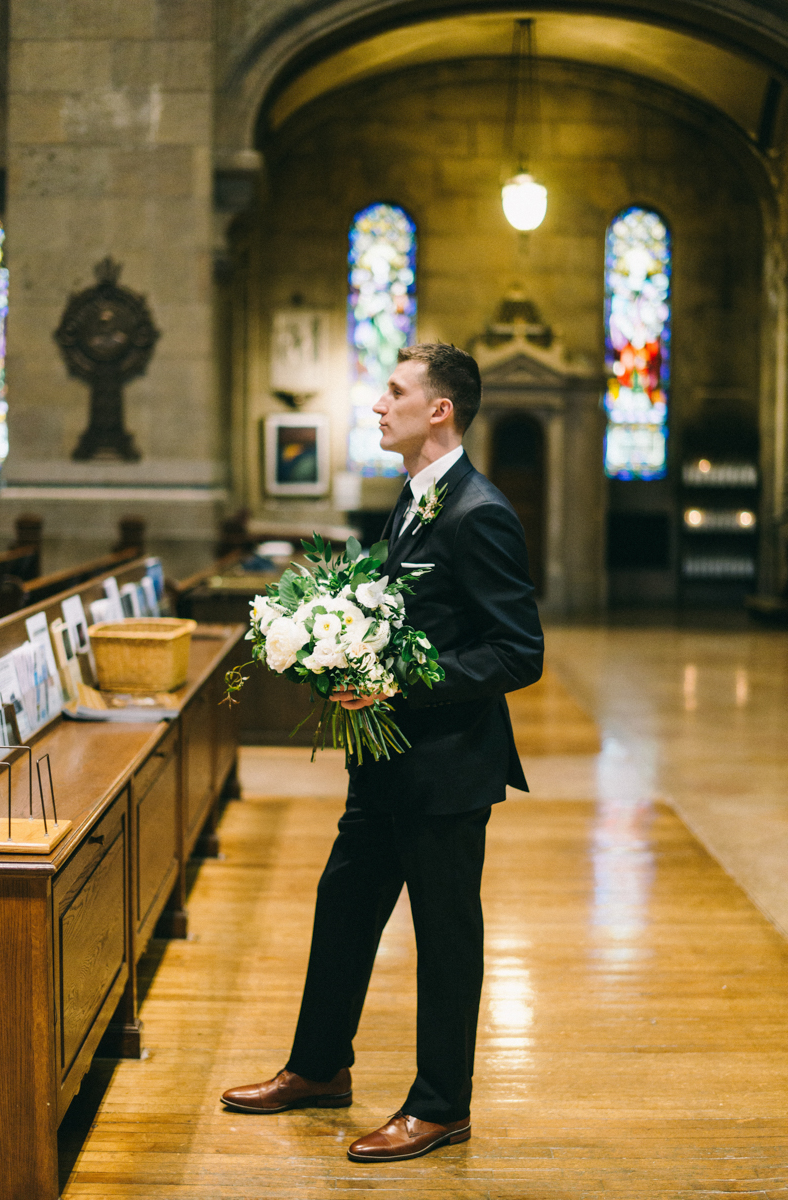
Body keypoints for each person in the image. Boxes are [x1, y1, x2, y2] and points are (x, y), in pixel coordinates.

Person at [221, 343, 544, 1162]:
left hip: (446, 770)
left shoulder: (480, 511)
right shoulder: (411, 501)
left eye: (394, 392)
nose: (377, 405)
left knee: (443, 937)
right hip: (385, 763)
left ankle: (441, 1105)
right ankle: (319, 1067)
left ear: (440, 409)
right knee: (342, 911)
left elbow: (518, 651)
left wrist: (399, 682)